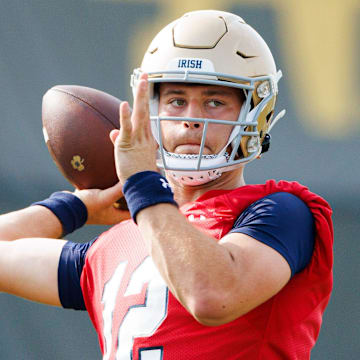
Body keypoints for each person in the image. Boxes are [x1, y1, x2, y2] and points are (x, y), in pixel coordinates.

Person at [0, 10, 333, 360]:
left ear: (254, 114)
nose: (191, 119)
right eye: (176, 100)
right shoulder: (118, 243)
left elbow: (211, 295)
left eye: (214, 101)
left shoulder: (281, 211)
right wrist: (78, 206)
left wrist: (144, 185)